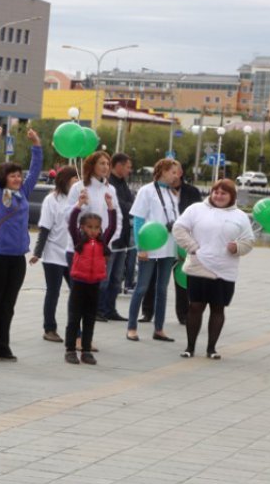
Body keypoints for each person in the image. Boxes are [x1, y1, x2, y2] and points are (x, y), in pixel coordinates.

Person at [0, 125, 43, 361]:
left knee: (8, 304)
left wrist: (36, 145)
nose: (18, 178)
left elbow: (35, 170)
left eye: (19, 175)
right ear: (4, 178)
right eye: (13, 175)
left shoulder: (23, 193)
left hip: (17, 258)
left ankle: (2, 344)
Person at [172, 179, 254, 360]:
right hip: (199, 265)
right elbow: (178, 228)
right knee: (195, 307)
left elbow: (249, 241)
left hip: (225, 269)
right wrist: (192, 247)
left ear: (231, 196)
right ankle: (190, 347)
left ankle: (211, 348)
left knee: (218, 308)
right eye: (216, 192)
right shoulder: (196, 209)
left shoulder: (240, 216)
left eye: (224, 193)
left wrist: (238, 247)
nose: (218, 196)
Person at [126, 159, 182, 343]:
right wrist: (140, 248)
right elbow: (138, 221)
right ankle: (132, 327)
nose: (176, 175)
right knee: (141, 287)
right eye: (173, 172)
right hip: (150, 246)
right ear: (163, 171)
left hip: (168, 246)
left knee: (162, 289)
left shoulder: (172, 193)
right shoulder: (146, 191)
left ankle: (159, 328)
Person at [65, 191, 118, 365]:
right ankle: (70, 350)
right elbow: (71, 222)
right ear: (82, 228)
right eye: (89, 227)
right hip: (79, 284)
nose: (93, 231)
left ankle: (86, 351)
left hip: (94, 285)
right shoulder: (78, 240)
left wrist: (110, 207)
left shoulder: (103, 242)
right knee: (74, 318)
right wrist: (78, 205)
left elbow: (112, 226)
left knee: (89, 319)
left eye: (97, 227)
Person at [31, 166, 78, 342]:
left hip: (72, 253)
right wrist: (38, 252)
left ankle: (75, 330)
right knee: (53, 291)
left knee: (76, 292)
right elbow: (45, 228)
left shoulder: (78, 200)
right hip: (53, 253)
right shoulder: (52, 200)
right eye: (74, 181)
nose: (77, 184)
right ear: (64, 181)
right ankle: (49, 328)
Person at [102, 153, 135, 319]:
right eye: (128, 166)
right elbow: (124, 206)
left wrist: (130, 206)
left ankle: (110, 309)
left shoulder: (123, 184)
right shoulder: (109, 185)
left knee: (116, 278)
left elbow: (130, 203)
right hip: (111, 238)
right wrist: (131, 206)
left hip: (123, 239)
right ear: (119, 165)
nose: (129, 170)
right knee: (105, 277)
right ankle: (99, 309)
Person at [170, 167, 204, 326]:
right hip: (163, 237)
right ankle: (148, 311)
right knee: (155, 279)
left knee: (183, 276)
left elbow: (199, 215)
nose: (172, 175)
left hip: (185, 237)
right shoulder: (161, 191)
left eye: (174, 171)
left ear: (181, 173)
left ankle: (184, 314)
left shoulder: (192, 191)